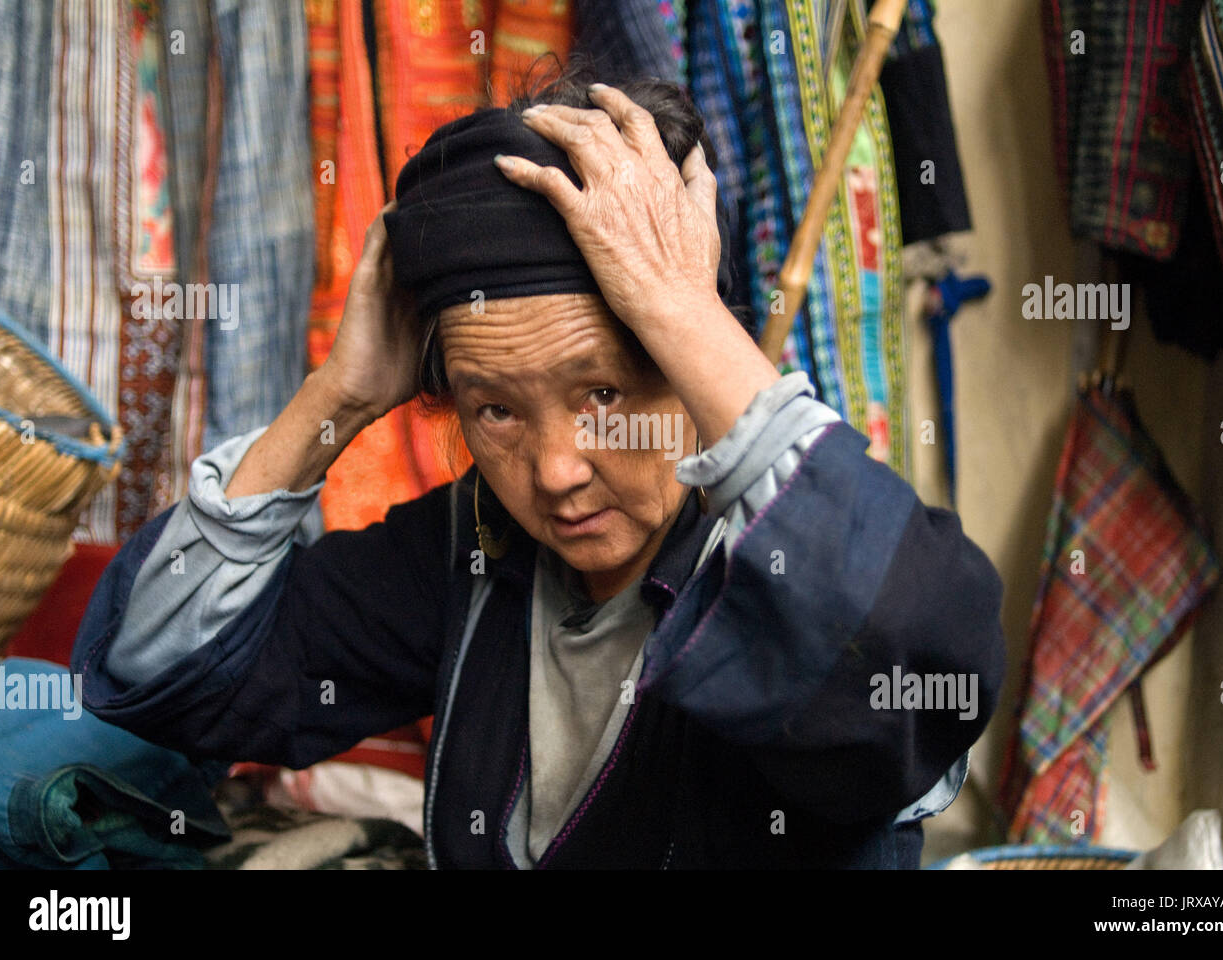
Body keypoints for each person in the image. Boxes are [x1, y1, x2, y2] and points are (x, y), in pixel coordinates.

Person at [72, 61, 1006, 869]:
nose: (556, 471)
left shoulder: (793, 561)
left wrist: (685, 314)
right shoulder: (478, 549)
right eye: (495, 409)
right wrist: (337, 398)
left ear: (684, 364)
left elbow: (923, 685)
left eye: (602, 393)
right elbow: (166, 673)